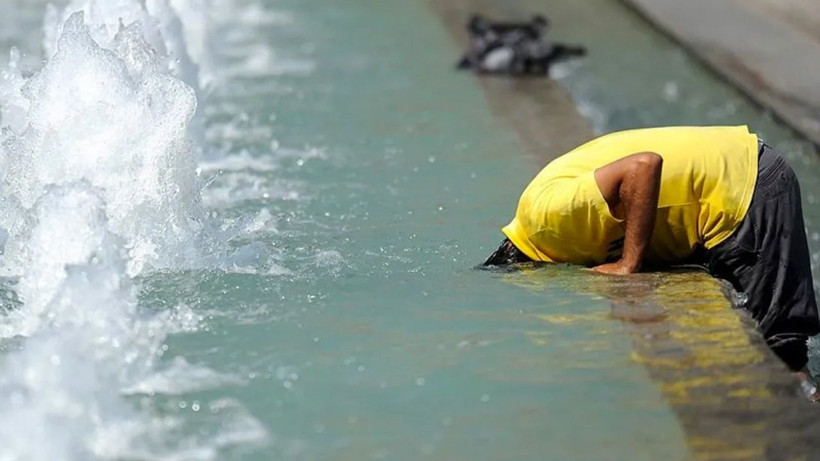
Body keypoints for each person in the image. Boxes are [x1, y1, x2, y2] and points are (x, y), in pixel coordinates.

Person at [484, 126, 820, 390]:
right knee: (753, 347)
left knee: (782, 357)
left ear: (524, 266)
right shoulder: (542, 221)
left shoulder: (547, 219)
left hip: (744, 187)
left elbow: (644, 165)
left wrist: (628, 263)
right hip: (731, 178)